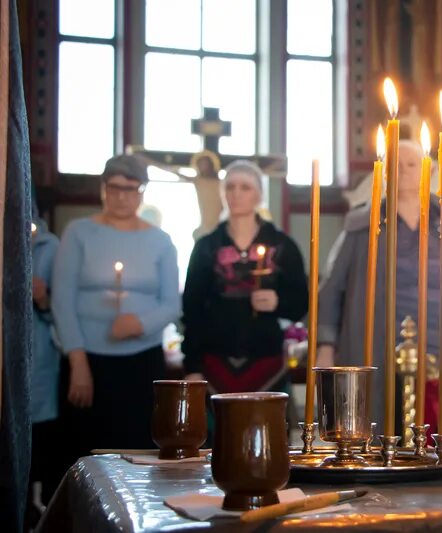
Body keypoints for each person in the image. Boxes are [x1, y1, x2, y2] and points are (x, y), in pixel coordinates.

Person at [317, 140, 442, 431]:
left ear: (430, 170)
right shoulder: (363, 224)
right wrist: (326, 346)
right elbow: (332, 287)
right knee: (381, 428)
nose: (403, 171)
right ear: (384, 173)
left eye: (412, 164)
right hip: (378, 341)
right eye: (395, 165)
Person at [52, 154, 180, 461]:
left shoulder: (161, 241)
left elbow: (171, 305)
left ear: (142, 192)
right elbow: (62, 298)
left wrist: (140, 323)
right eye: (115, 188)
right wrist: (78, 361)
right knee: (84, 449)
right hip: (87, 361)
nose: (122, 197)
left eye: (131, 189)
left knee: (138, 450)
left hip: (141, 363)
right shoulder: (79, 232)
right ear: (103, 189)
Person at [182, 160, 308, 395]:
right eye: (230, 187)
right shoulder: (207, 247)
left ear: (259, 195)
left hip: (266, 358)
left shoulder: (282, 245)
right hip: (214, 361)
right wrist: (193, 366)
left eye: (245, 187)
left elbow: (302, 301)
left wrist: (278, 302)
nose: (236, 194)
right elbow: (192, 309)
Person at [25, 218, 60, 526]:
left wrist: (44, 299)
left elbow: (60, 314)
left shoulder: (50, 248)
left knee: (39, 439)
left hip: (38, 358)